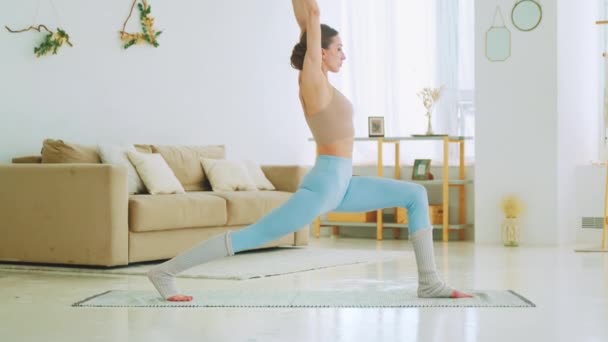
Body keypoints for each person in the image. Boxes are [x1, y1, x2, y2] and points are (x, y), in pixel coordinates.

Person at [147, 0, 472, 302]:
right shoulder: (311, 80)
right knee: (252, 236)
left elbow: (305, 19)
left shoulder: (323, 81)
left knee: (415, 193)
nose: (344, 55)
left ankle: (429, 282)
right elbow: (313, 16)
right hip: (325, 184)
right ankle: (165, 272)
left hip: (343, 182)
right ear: (322, 52)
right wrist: (310, 21)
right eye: (339, 48)